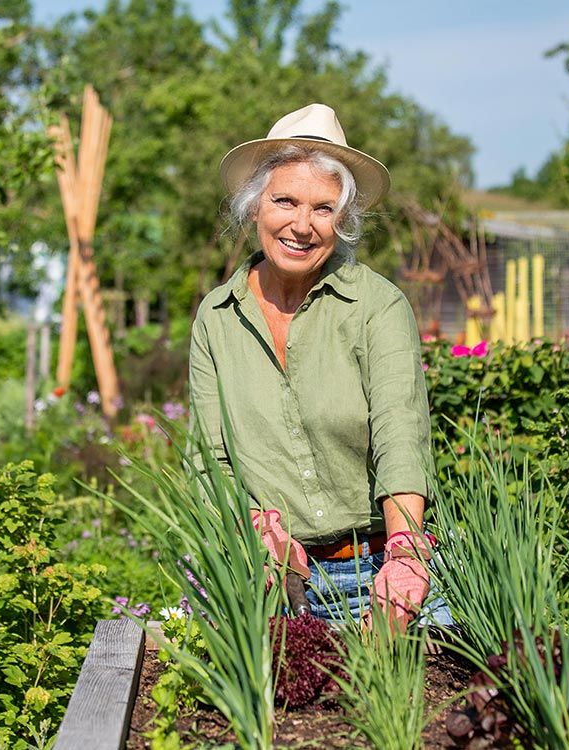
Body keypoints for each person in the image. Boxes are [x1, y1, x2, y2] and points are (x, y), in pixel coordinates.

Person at [189, 103, 447, 632]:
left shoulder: (377, 306)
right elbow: (209, 458)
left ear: (342, 221)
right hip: (266, 572)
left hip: (375, 565)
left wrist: (404, 555)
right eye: (285, 201)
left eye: (323, 209)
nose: (301, 225)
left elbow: (400, 434)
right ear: (254, 207)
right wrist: (252, 526)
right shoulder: (216, 318)